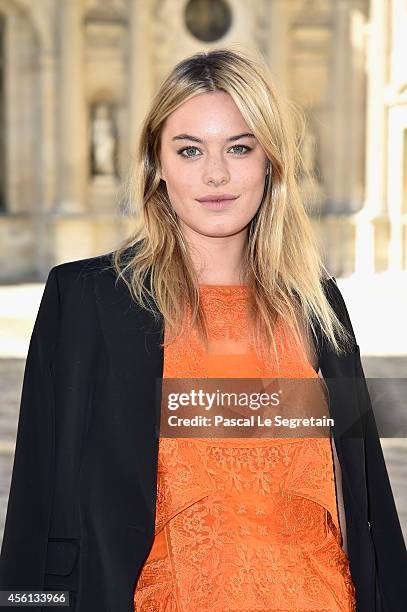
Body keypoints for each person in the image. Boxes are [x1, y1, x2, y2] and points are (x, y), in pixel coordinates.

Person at [0, 48, 406, 612]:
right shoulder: (86, 301)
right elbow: (36, 510)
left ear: (271, 161)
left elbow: (369, 508)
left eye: (239, 148)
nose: (216, 174)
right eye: (189, 150)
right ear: (156, 164)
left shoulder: (319, 303)